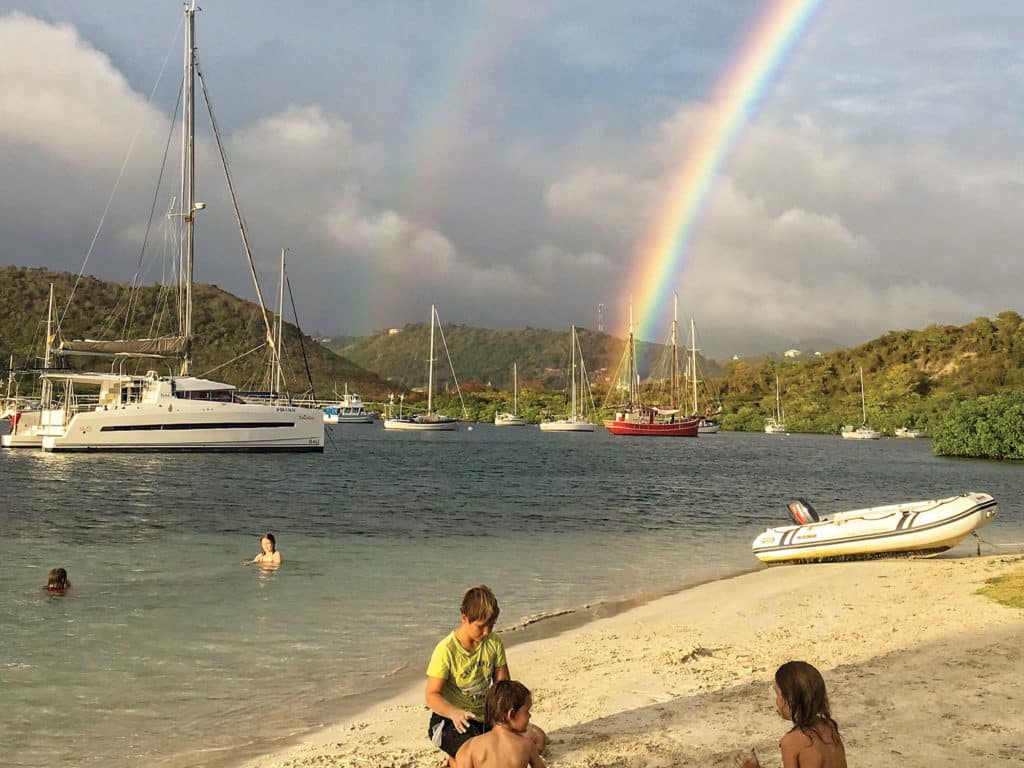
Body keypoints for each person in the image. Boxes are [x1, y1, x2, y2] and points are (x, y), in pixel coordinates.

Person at [425, 585, 546, 767]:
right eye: (481, 626)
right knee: (476, 759)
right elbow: (431, 695)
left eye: (491, 625)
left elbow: (502, 686)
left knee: (537, 741)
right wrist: (454, 713)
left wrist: (508, 718)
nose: (487, 631)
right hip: (453, 723)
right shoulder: (446, 650)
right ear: (464, 618)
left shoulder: (493, 643)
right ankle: (453, 761)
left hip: (487, 718)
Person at [738, 660, 847, 768]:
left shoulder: (792, 742)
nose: (777, 701)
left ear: (790, 700)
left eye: (778, 694)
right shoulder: (829, 726)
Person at [454, 680, 546, 768]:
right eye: (527, 711)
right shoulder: (527, 746)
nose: (529, 715)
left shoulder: (470, 746)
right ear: (511, 714)